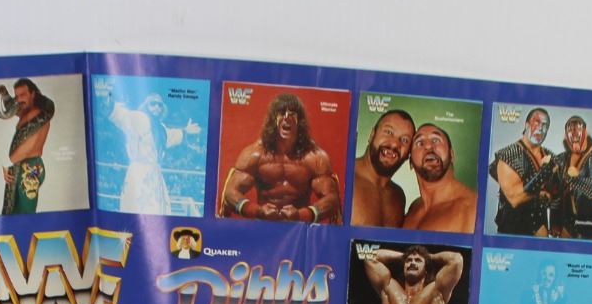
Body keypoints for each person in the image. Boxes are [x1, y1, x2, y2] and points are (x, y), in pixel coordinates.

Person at [218, 92, 340, 223]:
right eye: (281, 113)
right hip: (264, 226)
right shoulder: (256, 154)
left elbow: (332, 199)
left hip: (299, 229)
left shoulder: (314, 157)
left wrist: (301, 215)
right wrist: (257, 211)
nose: (286, 118)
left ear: (300, 122)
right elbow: (230, 193)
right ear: (273, 120)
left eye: (292, 114)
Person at [107, 93, 199, 214]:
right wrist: (107, 101)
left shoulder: (161, 128)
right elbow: (123, 116)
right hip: (138, 172)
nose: (157, 107)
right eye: (153, 104)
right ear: (147, 105)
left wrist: (186, 131)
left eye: (159, 105)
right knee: (136, 208)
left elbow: (173, 135)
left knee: (156, 209)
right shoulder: (140, 118)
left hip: (154, 174)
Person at [490, 107, 561, 236]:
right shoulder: (507, 155)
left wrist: (556, 221)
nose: (540, 128)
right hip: (512, 234)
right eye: (537, 122)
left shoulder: (551, 156)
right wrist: (545, 171)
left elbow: (557, 193)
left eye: (545, 125)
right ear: (526, 124)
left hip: (541, 235)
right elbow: (515, 198)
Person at [401, 123, 478, 233]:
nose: (428, 146)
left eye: (436, 140)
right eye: (420, 143)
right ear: (411, 163)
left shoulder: (473, 208)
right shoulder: (413, 208)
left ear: (452, 155)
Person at [0, 78, 55, 215]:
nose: (19, 99)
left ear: (33, 94)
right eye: (17, 96)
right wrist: (4, 94)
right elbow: (12, 110)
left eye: (23, 95)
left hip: (29, 169)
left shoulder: (36, 114)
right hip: (24, 167)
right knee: (13, 215)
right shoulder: (28, 111)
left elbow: (25, 150)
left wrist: (7, 163)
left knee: (24, 217)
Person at [350, 109, 413, 227]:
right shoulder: (344, 178)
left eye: (405, 140)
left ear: (409, 153)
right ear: (372, 134)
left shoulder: (399, 196)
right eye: (388, 132)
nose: (394, 144)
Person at [555, 115, 592, 239]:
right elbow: (556, 195)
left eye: (578, 129)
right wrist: (555, 222)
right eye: (570, 130)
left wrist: (577, 179)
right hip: (567, 229)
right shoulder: (561, 159)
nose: (574, 132)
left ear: (586, 132)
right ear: (566, 137)